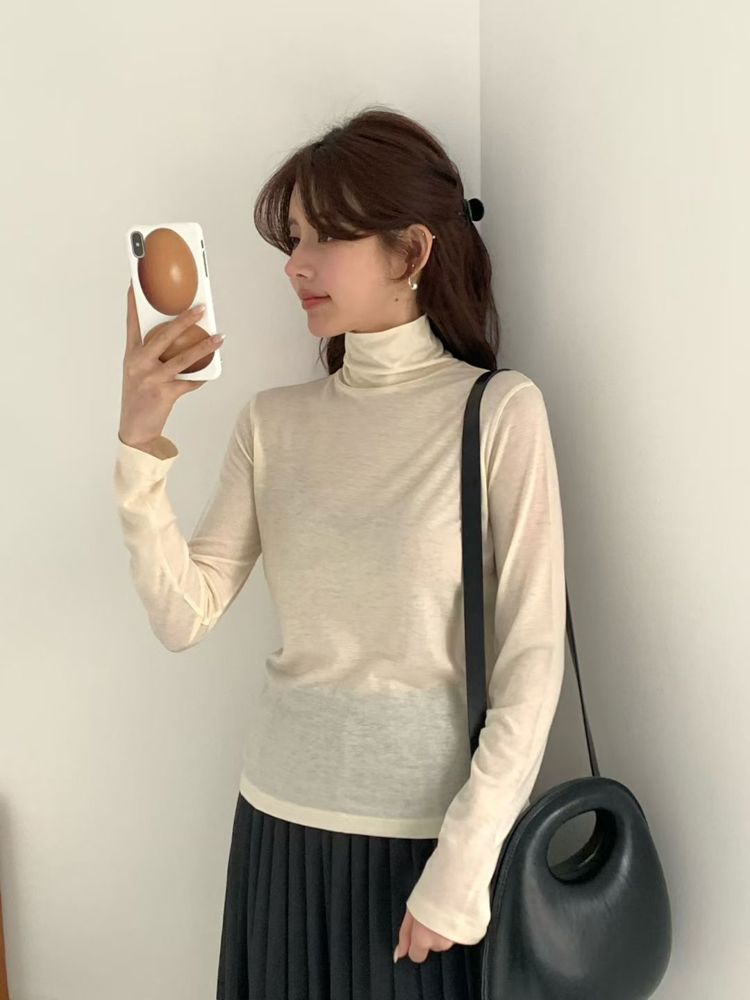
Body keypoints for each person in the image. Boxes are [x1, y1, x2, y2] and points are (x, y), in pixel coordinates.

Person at [114, 106, 566, 1000]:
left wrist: (464, 866)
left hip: (425, 854)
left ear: (411, 251)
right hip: (276, 828)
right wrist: (139, 446)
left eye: (326, 236)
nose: (296, 264)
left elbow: (532, 659)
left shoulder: (499, 412)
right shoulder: (273, 423)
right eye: (294, 239)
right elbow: (182, 616)